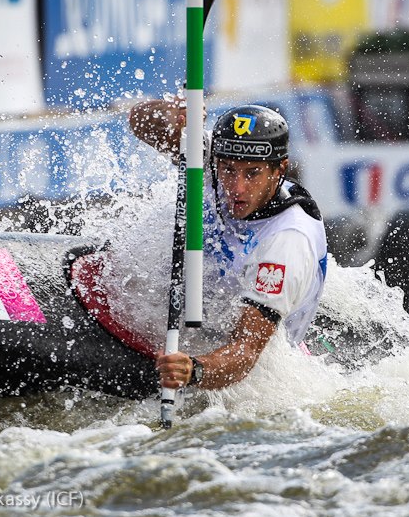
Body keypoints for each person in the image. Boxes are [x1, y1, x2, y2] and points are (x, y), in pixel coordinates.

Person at [128, 98, 328, 390]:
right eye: (229, 170)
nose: (237, 188)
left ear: (279, 169)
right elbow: (140, 122)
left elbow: (245, 352)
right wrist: (172, 116)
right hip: (203, 322)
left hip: (253, 376)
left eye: (252, 174)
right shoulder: (213, 160)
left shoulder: (286, 244)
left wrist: (192, 370)